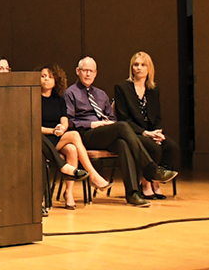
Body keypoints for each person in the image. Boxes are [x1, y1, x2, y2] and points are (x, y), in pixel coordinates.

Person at [63, 57, 177, 207]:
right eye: (85, 71)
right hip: (86, 134)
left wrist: (109, 123)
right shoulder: (70, 93)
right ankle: (151, 169)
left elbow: (111, 117)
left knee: (122, 143)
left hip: (106, 132)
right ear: (78, 71)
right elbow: (70, 121)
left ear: (96, 73)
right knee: (122, 126)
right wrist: (93, 124)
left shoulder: (101, 94)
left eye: (91, 71)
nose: (88, 74)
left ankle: (133, 194)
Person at [37, 64, 109, 209]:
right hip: (43, 139)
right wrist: (53, 131)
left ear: (56, 80)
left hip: (58, 137)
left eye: (50, 77)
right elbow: (33, 127)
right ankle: (93, 175)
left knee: (72, 149)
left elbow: (64, 119)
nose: (46, 79)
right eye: (43, 76)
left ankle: (68, 193)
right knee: (75, 135)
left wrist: (62, 128)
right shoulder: (34, 99)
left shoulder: (59, 100)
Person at [114, 51, 180, 200]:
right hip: (133, 132)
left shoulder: (153, 89)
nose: (139, 68)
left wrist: (157, 132)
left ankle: (155, 181)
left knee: (172, 147)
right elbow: (124, 119)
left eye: (143, 65)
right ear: (131, 68)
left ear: (149, 68)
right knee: (154, 148)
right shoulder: (122, 88)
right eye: (136, 65)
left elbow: (157, 116)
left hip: (151, 131)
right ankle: (146, 183)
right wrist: (145, 133)